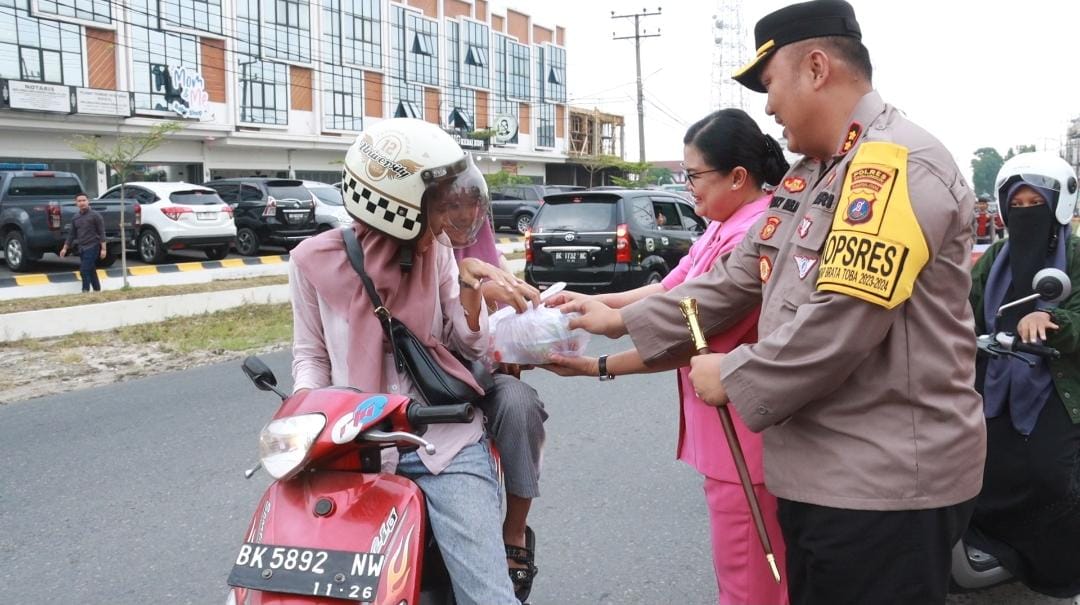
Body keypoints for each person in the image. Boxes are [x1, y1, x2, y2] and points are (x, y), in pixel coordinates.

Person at [559, 1, 985, 603]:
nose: (768, 106)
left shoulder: (890, 165)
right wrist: (620, 319)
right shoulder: (813, 174)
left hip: (882, 484)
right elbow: (737, 279)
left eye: (769, 84)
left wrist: (733, 373)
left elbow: (842, 320)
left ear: (815, 68)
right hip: (823, 473)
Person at [545, 108, 790, 605]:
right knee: (748, 571)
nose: (687, 185)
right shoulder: (726, 226)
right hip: (730, 433)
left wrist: (597, 361)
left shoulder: (751, 234)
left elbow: (687, 328)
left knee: (749, 580)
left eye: (694, 175)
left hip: (743, 436)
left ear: (738, 177)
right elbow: (667, 290)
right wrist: (589, 303)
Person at [289, 118, 537, 605]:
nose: (448, 221)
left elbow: (467, 348)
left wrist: (470, 294)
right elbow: (311, 357)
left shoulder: (440, 253)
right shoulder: (309, 262)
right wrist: (306, 416)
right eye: (438, 207)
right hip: (351, 446)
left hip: (440, 441)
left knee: (488, 596)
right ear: (396, 205)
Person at [967, 151, 1080, 598]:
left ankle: (1064, 572)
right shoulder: (996, 256)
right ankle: (991, 551)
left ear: (1058, 206)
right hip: (994, 377)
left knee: (1051, 474)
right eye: (1019, 204)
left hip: (1057, 381)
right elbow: (967, 310)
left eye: (1037, 204)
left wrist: (1054, 320)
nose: (1026, 213)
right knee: (972, 461)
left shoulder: (1074, 256)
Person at [453, 218, 548, 601]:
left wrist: (526, 332)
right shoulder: (418, 250)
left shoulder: (480, 238)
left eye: (471, 206)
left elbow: (507, 303)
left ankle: (515, 529)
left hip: (477, 375)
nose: (460, 215)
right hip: (411, 381)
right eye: (452, 206)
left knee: (520, 402)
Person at [58, 192, 106, 292]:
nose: (82, 203)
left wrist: (103, 249)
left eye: (84, 200)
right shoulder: (75, 217)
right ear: (76, 203)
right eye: (79, 201)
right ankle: (97, 290)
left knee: (84, 270)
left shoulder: (95, 216)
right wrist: (65, 248)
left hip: (93, 246)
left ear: (88, 201)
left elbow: (102, 233)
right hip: (82, 248)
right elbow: (71, 234)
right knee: (91, 270)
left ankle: (85, 290)